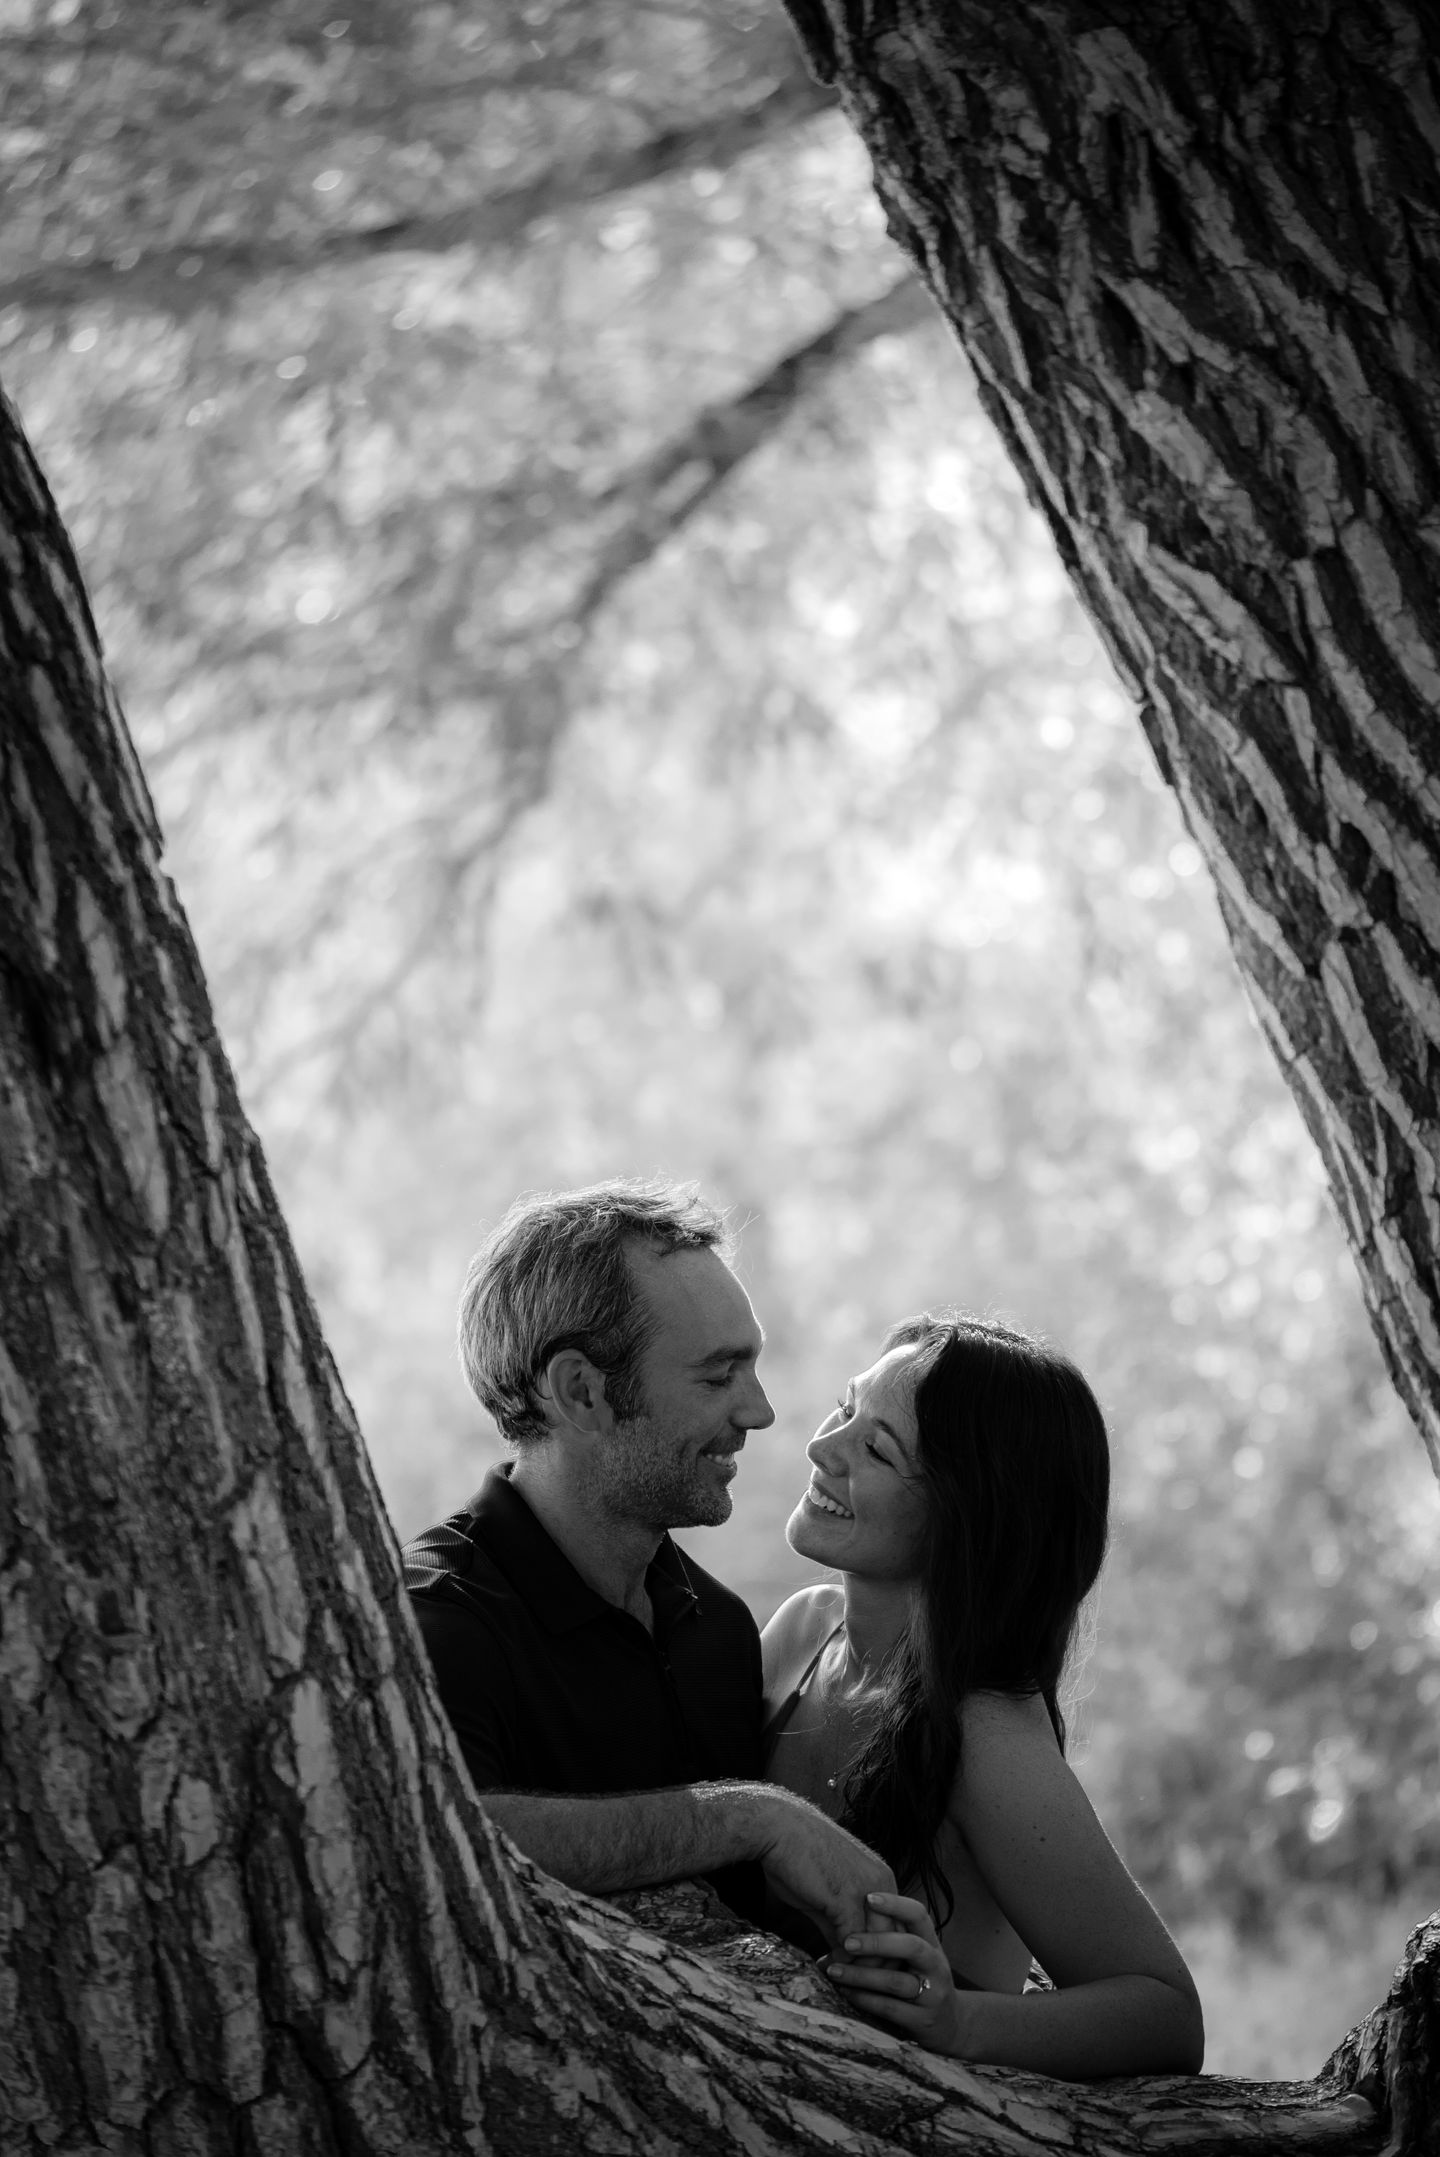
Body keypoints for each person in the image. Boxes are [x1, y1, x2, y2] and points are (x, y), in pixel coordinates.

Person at [403, 1179, 895, 1945]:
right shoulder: (432, 1620)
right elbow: (436, 1833)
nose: (759, 1411)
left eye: (752, 1367)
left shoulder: (721, 1631)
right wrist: (746, 1817)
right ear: (583, 1392)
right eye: (716, 1375)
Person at [762, 1312, 1205, 2078]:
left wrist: (959, 2019)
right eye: (844, 1407)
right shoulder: (804, 1630)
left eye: (875, 1447)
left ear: (966, 1514)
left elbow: (1166, 2015)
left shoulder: (984, 1735)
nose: (821, 1446)